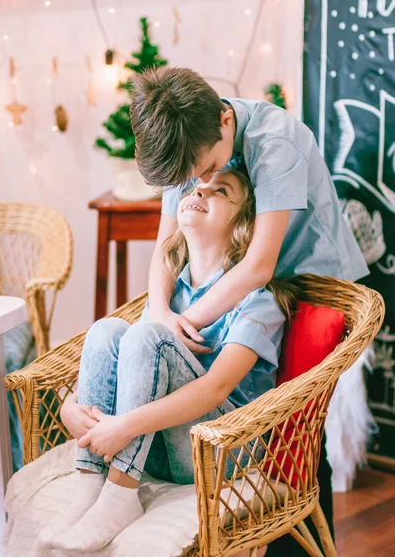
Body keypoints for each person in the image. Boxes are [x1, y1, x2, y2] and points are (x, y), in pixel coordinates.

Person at [129, 66, 369, 556]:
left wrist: (183, 324)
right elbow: (166, 246)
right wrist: (158, 312)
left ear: (222, 120)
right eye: (188, 178)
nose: (197, 183)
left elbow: (260, 267)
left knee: (297, 428)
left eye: (205, 169)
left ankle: (301, 544)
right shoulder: (187, 144)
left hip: (306, 281)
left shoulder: (274, 140)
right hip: (237, 280)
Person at [39, 169, 292, 553]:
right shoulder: (169, 294)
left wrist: (124, 426)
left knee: (147, 336)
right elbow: (127, 368)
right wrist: (69, 408)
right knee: (107, 331)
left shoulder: (258, 299)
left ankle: (121, 495)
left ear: (243, 222)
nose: (199, 193)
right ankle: (91, 485)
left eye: (219, 191)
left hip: (223, 451)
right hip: (155, 444)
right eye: (196, 187)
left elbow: (217, 388)